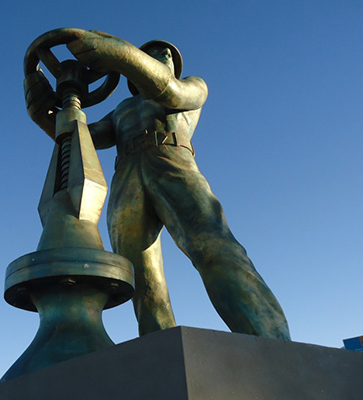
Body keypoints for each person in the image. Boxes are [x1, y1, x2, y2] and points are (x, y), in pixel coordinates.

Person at [24, 29, 291, 340]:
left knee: (213, 248)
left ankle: (269, 339)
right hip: (127, 176)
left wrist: (122, 55)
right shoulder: (122, 110)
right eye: (154, 54)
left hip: (173, 164)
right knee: (141, 277)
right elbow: (85, 139)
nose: (163, 58)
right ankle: (159, 346)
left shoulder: (191, 87)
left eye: (167, 56)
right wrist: (46, 115)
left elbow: (171, 91)